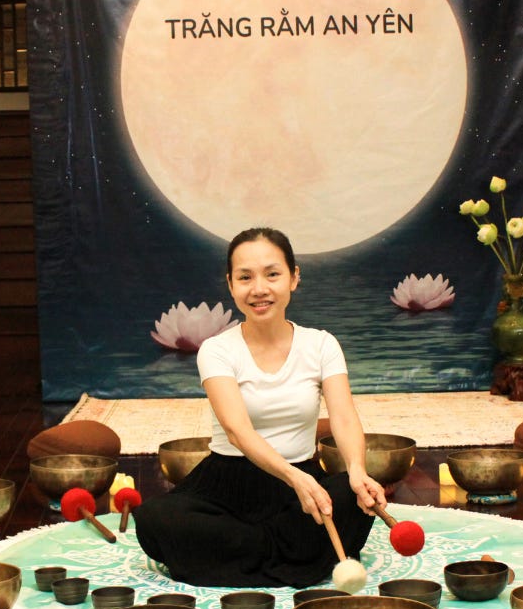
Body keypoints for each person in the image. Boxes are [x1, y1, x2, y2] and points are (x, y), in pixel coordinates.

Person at [133, 227, 385, 588]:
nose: (259, 289)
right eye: (245, 277)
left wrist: (357, 470)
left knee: (354, 494)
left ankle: (240, 558)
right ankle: (295, 555)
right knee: (158, 519)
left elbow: (343, 418)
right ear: (230, 284)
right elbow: (237, 431)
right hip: (227, 485)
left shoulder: (322, 344)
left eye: (272, 274)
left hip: (301, 483)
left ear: (294, 278)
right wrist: (293, 477)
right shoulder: (217, 350)